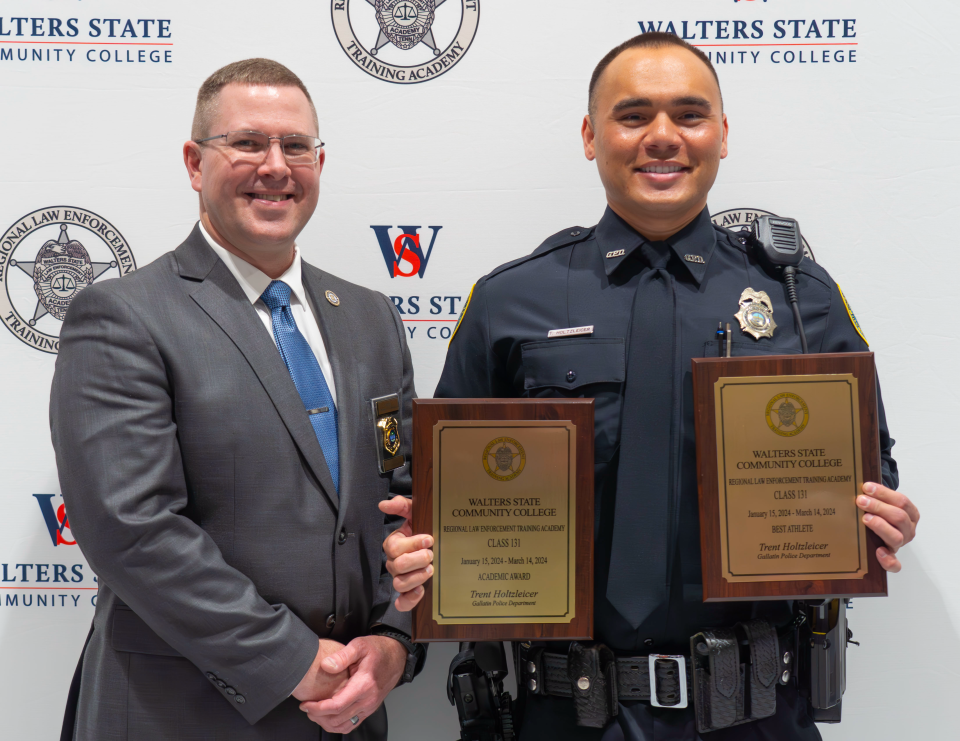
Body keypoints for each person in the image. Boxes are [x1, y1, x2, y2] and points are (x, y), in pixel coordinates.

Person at [381, 33, 919, 740]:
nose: (662, 138)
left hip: (753, 715)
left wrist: (881, 521)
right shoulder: (511, 300)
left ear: (722, 136)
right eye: (633, 116)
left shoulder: (798, 297)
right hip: (563, 714)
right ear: (589, 135)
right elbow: (434, 497)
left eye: (689, 115)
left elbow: (870, 474)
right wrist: (415, 547)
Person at [50, 58, 424, 741]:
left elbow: (403, 496)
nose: (276, 166)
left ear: (319, 161)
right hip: (178, 712)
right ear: (195, 163)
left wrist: (394, 640)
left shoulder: (371, 318)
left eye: (296, 146)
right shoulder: (123, 317)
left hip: (347, 712)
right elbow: (131, 530)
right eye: (248, 143)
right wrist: (289, 658)